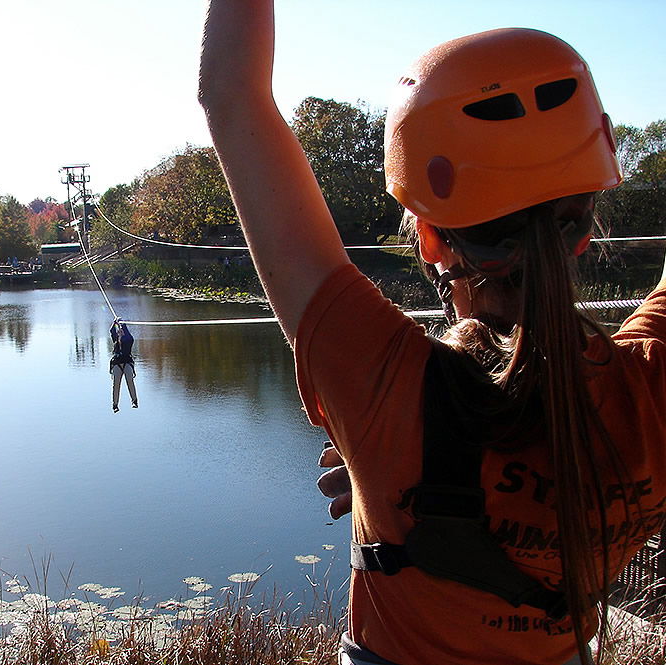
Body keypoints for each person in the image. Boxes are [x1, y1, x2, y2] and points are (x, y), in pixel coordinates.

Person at [200, 4, 666, 665]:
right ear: (587, 229)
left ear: (425, 235)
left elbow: (229, 93)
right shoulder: (652, 388)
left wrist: (380, 467)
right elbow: (231, 99)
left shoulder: (385, 390)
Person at [110, 318, 138, 412]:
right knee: (116, 384)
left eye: (121, 332)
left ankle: (134, 401)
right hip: (117, 364)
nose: (120, 333)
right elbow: (112, 331)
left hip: (127, 363)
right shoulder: (115, 341)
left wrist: (123, 325)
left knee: (130, 380)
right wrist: (115, 323)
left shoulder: (128, 340)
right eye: (119, 332)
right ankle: (115, 405)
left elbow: (129, 337)